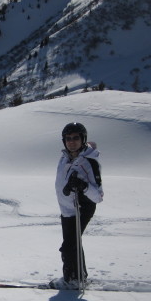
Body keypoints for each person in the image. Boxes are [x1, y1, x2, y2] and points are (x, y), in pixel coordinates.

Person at [50, 122, 103, 290]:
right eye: (68, 138)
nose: (71, 141)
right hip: (66, 209)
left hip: (81, 208)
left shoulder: (88, 162)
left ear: (83, 139)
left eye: (75, 138)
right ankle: (79, 276)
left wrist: (82, 186)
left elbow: (98, 196)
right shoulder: (66, 157)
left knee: (69, 246)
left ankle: (73, 280)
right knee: (73, 243)